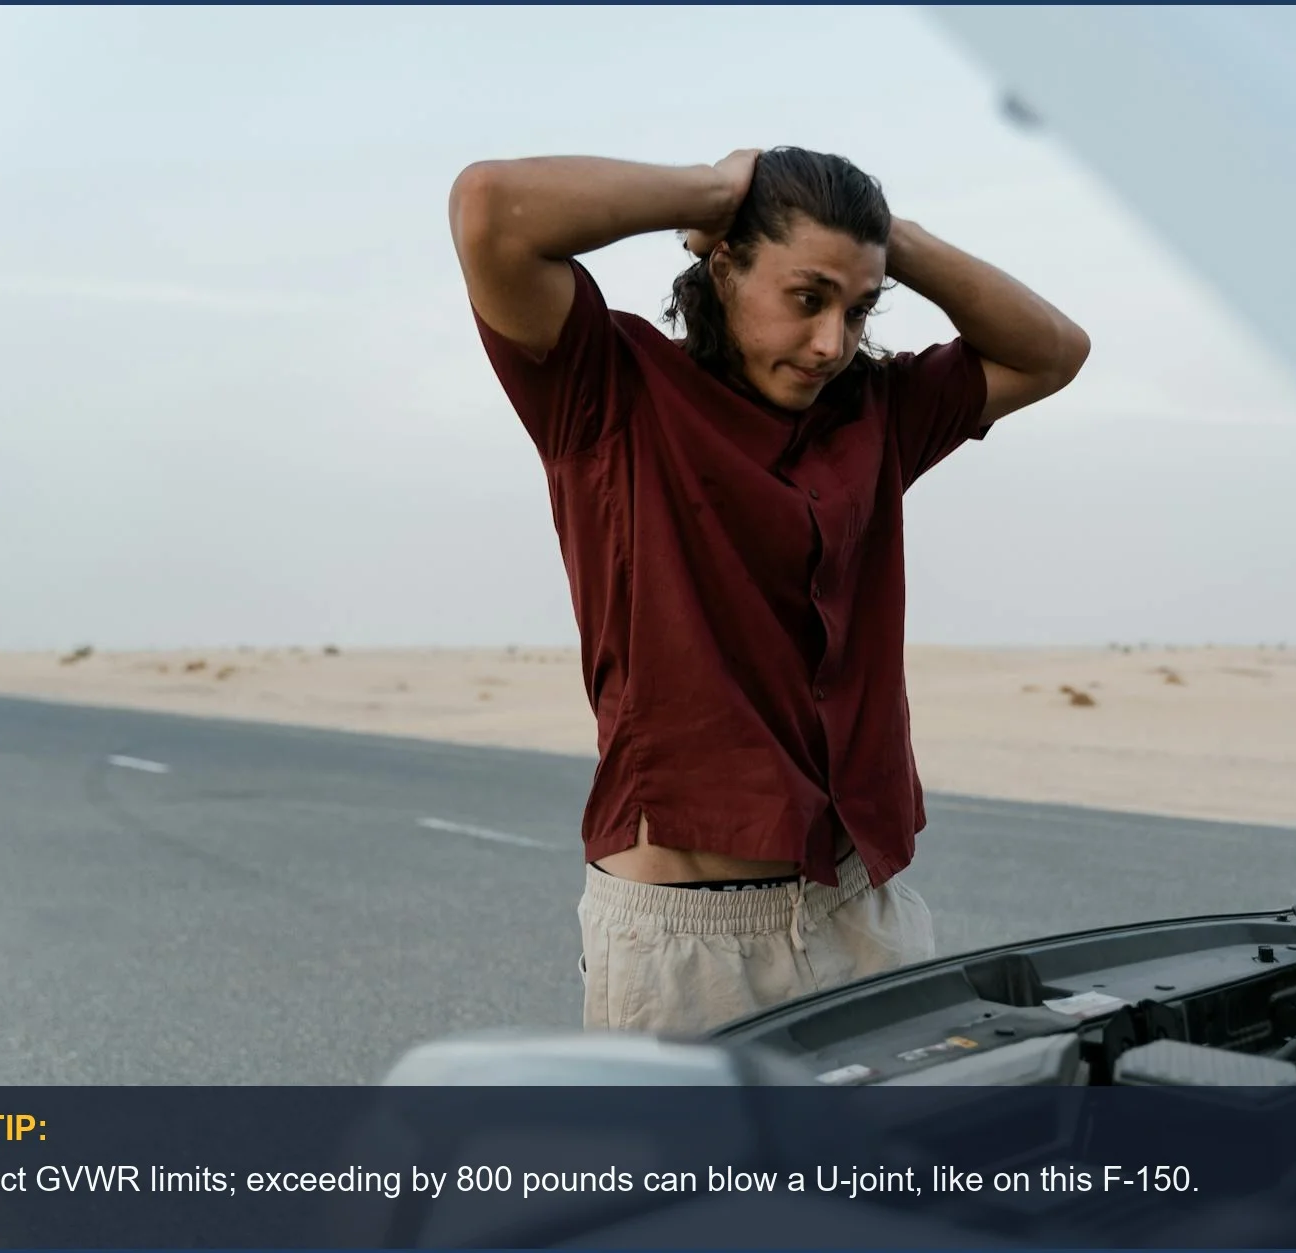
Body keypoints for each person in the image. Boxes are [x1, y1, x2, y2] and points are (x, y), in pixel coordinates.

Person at [448, 145, 1088, 1035]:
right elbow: (491, 207)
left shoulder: (877, 412)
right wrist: (718, 191)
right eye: (807, 297)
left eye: (858, 309)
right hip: (687, 949)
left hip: (861, 912)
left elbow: (1053, 351)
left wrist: (887, 239)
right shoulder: (608, 393)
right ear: (723, 266)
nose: (832, 342)